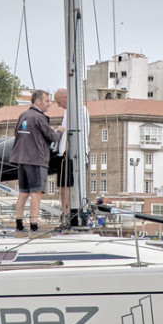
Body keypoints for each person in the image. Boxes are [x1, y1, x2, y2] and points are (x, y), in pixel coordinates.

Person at [9, 90, 63, 234]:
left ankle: (19, 225)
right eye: (47, 101)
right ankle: (34, 226)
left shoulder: (23, 115)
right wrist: (60, 131)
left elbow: (16, 133)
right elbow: (52, 137)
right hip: (36, 159)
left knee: (23, 192)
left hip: (21, 159)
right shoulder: (40, 117)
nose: (49, 104)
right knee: (36, 193)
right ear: (38, 101)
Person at [50, 87, 89, 225]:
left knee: (67, 187)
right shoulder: (69, 111)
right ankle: (66, 214)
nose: (58, 105)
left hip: (72, 154)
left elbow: (75, 132)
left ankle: (69, 216)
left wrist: (60, 132)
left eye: (59, 102)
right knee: (63, 187)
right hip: (66, 154)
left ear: (66, 98)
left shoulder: (78, 111)